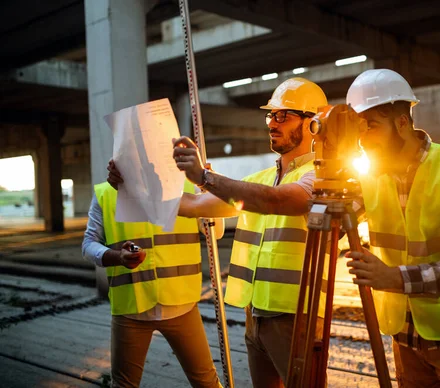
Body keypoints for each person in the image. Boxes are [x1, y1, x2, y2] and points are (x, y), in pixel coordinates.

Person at [108, 77, 329, 388]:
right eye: (270, 115)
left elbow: (277, 201)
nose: (272, 123)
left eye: (283, 115)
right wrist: (132, 182)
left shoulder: (321, 176)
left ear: (312, 123)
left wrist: (204, 175)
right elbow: (195, 204)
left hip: (295, 317)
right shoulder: (263, 178)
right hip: (257, 315)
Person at [344, 69, 440, 388]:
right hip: (404, 337)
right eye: (359, 127)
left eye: (371, 125)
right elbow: (326, 219)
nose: (363, 138)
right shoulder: (368, 174)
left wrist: (395, 277)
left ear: (402, 122)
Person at [82, 176, 222, 388]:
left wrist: (208, 188)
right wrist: (117, 256)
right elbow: (88, 245)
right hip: (131, 309)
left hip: (181, 305)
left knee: (207, 382)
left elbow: (216, 232)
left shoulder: (188, 186)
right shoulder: (105, 193)